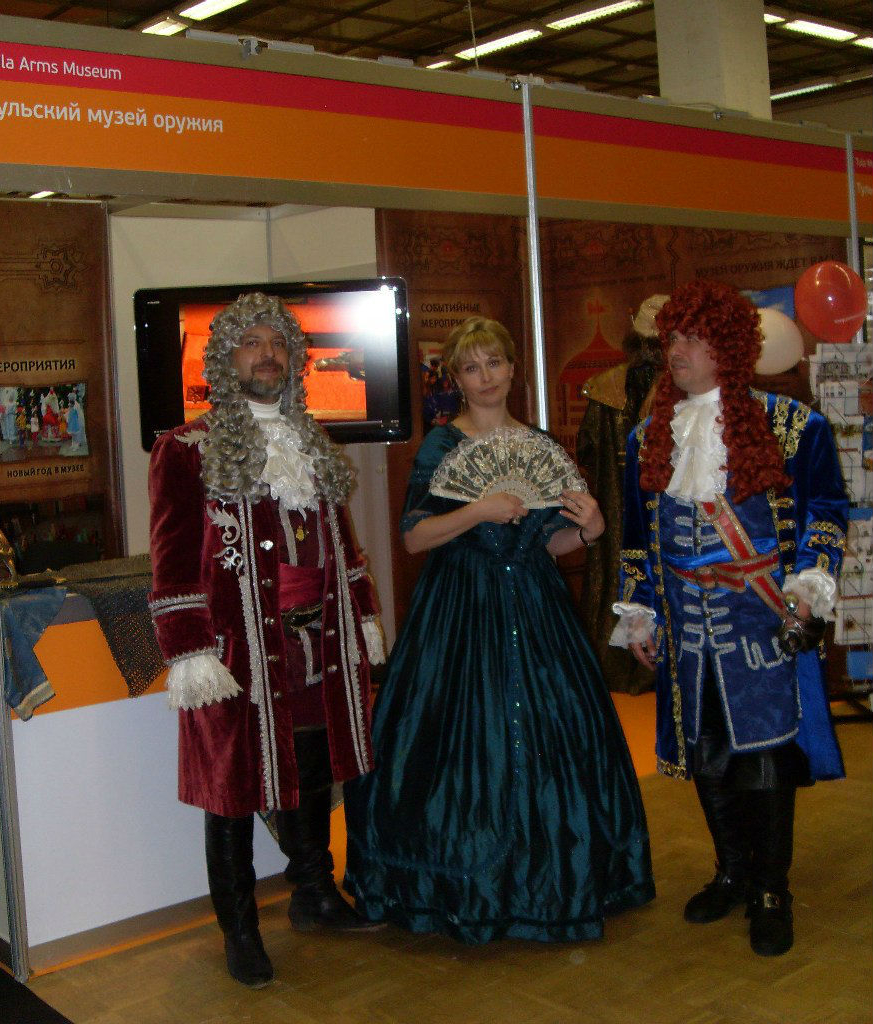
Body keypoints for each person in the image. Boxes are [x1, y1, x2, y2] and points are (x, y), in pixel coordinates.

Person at [344, 315, 654, 944]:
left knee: (558, 737)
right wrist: (477, 510)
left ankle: (556, 880)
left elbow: (551, 543)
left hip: (537, 608)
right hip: (459, 607)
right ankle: (461, 887)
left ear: (513, 368)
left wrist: (590, 530)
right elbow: (414, 537)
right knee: (456, 745)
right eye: (471, 367)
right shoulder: (440, 447)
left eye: (494, 363)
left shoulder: (538, 443)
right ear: (457, 379)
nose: (485, 377)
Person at [148, 293, 386, 989]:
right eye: (252, 343)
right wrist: (189, 650)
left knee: (311, 771)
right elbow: (172, 559)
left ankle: (314, 895)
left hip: (316, 645)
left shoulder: (312, 441)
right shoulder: (184, 449)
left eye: (279, 343)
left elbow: (342, 543)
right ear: (226, 359)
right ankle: (241, 930)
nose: (268, 355)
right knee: (232, 789)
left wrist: (363, 614)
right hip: (235, 653)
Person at [610, 279, 847, 958]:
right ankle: (733, 871)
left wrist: (809, 585)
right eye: (672, 339)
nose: (676, 352)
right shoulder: (646, 438)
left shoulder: (794, 427)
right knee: (707, 752)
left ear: (730, 347)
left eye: (693, 338)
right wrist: (640, 613)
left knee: (765, 755)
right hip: (688, 629)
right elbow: (636, 540)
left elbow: (826, 514)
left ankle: (771, 890)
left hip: (760, 625)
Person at [577, 294, 666, 695]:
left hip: (619, 500)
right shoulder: (676, 390)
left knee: (620, 567)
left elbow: (587, 448)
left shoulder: (604, 388)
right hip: (644, 500)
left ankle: (623, 665)